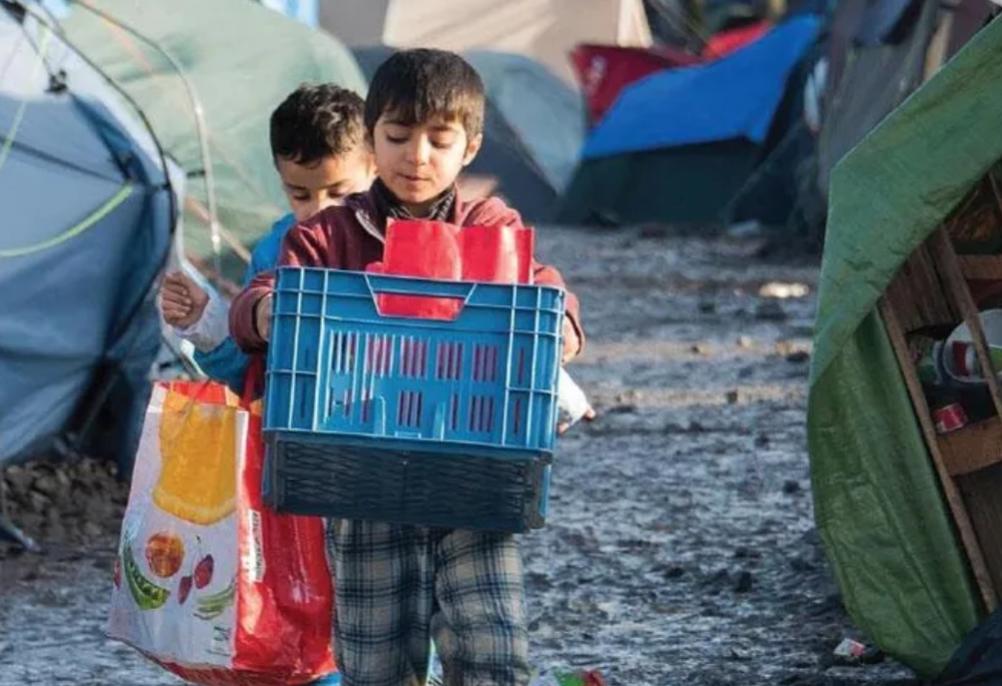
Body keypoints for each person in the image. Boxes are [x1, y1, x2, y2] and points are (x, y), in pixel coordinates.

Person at [229, 48, 585, 686]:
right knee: (376, 658)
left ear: (470, 148)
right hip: (357, 468)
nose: (416, 156)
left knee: (491, 644)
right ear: (370, 139)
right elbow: (261, 294)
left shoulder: (490, 226)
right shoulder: (326, 236)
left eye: (439, 141)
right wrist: (263, 311)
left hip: (474, 467)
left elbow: (546, 291)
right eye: (397, 136)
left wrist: (560, 328)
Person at [160, 83, 375, 389]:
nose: (319, 210)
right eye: (300, 195)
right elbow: (254, 374)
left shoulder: (396, 241)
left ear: (375, 167)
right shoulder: (274, 253)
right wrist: (208, 324)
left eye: (338, 193)